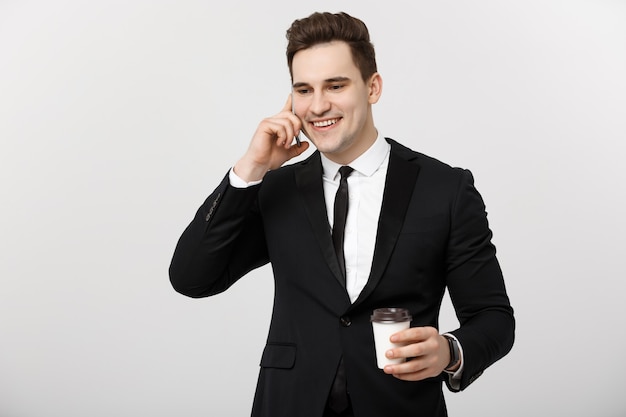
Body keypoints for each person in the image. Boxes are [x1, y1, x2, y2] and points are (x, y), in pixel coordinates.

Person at [169, 11, 514, 417]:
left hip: (399, 406)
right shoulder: (277, 188)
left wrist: (449, 351)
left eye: (335, 85)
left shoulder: (445, 190)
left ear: (373, 87)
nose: (318, 106)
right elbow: (192, 277)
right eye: (303, 89)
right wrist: (250, 168)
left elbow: (493, 318)